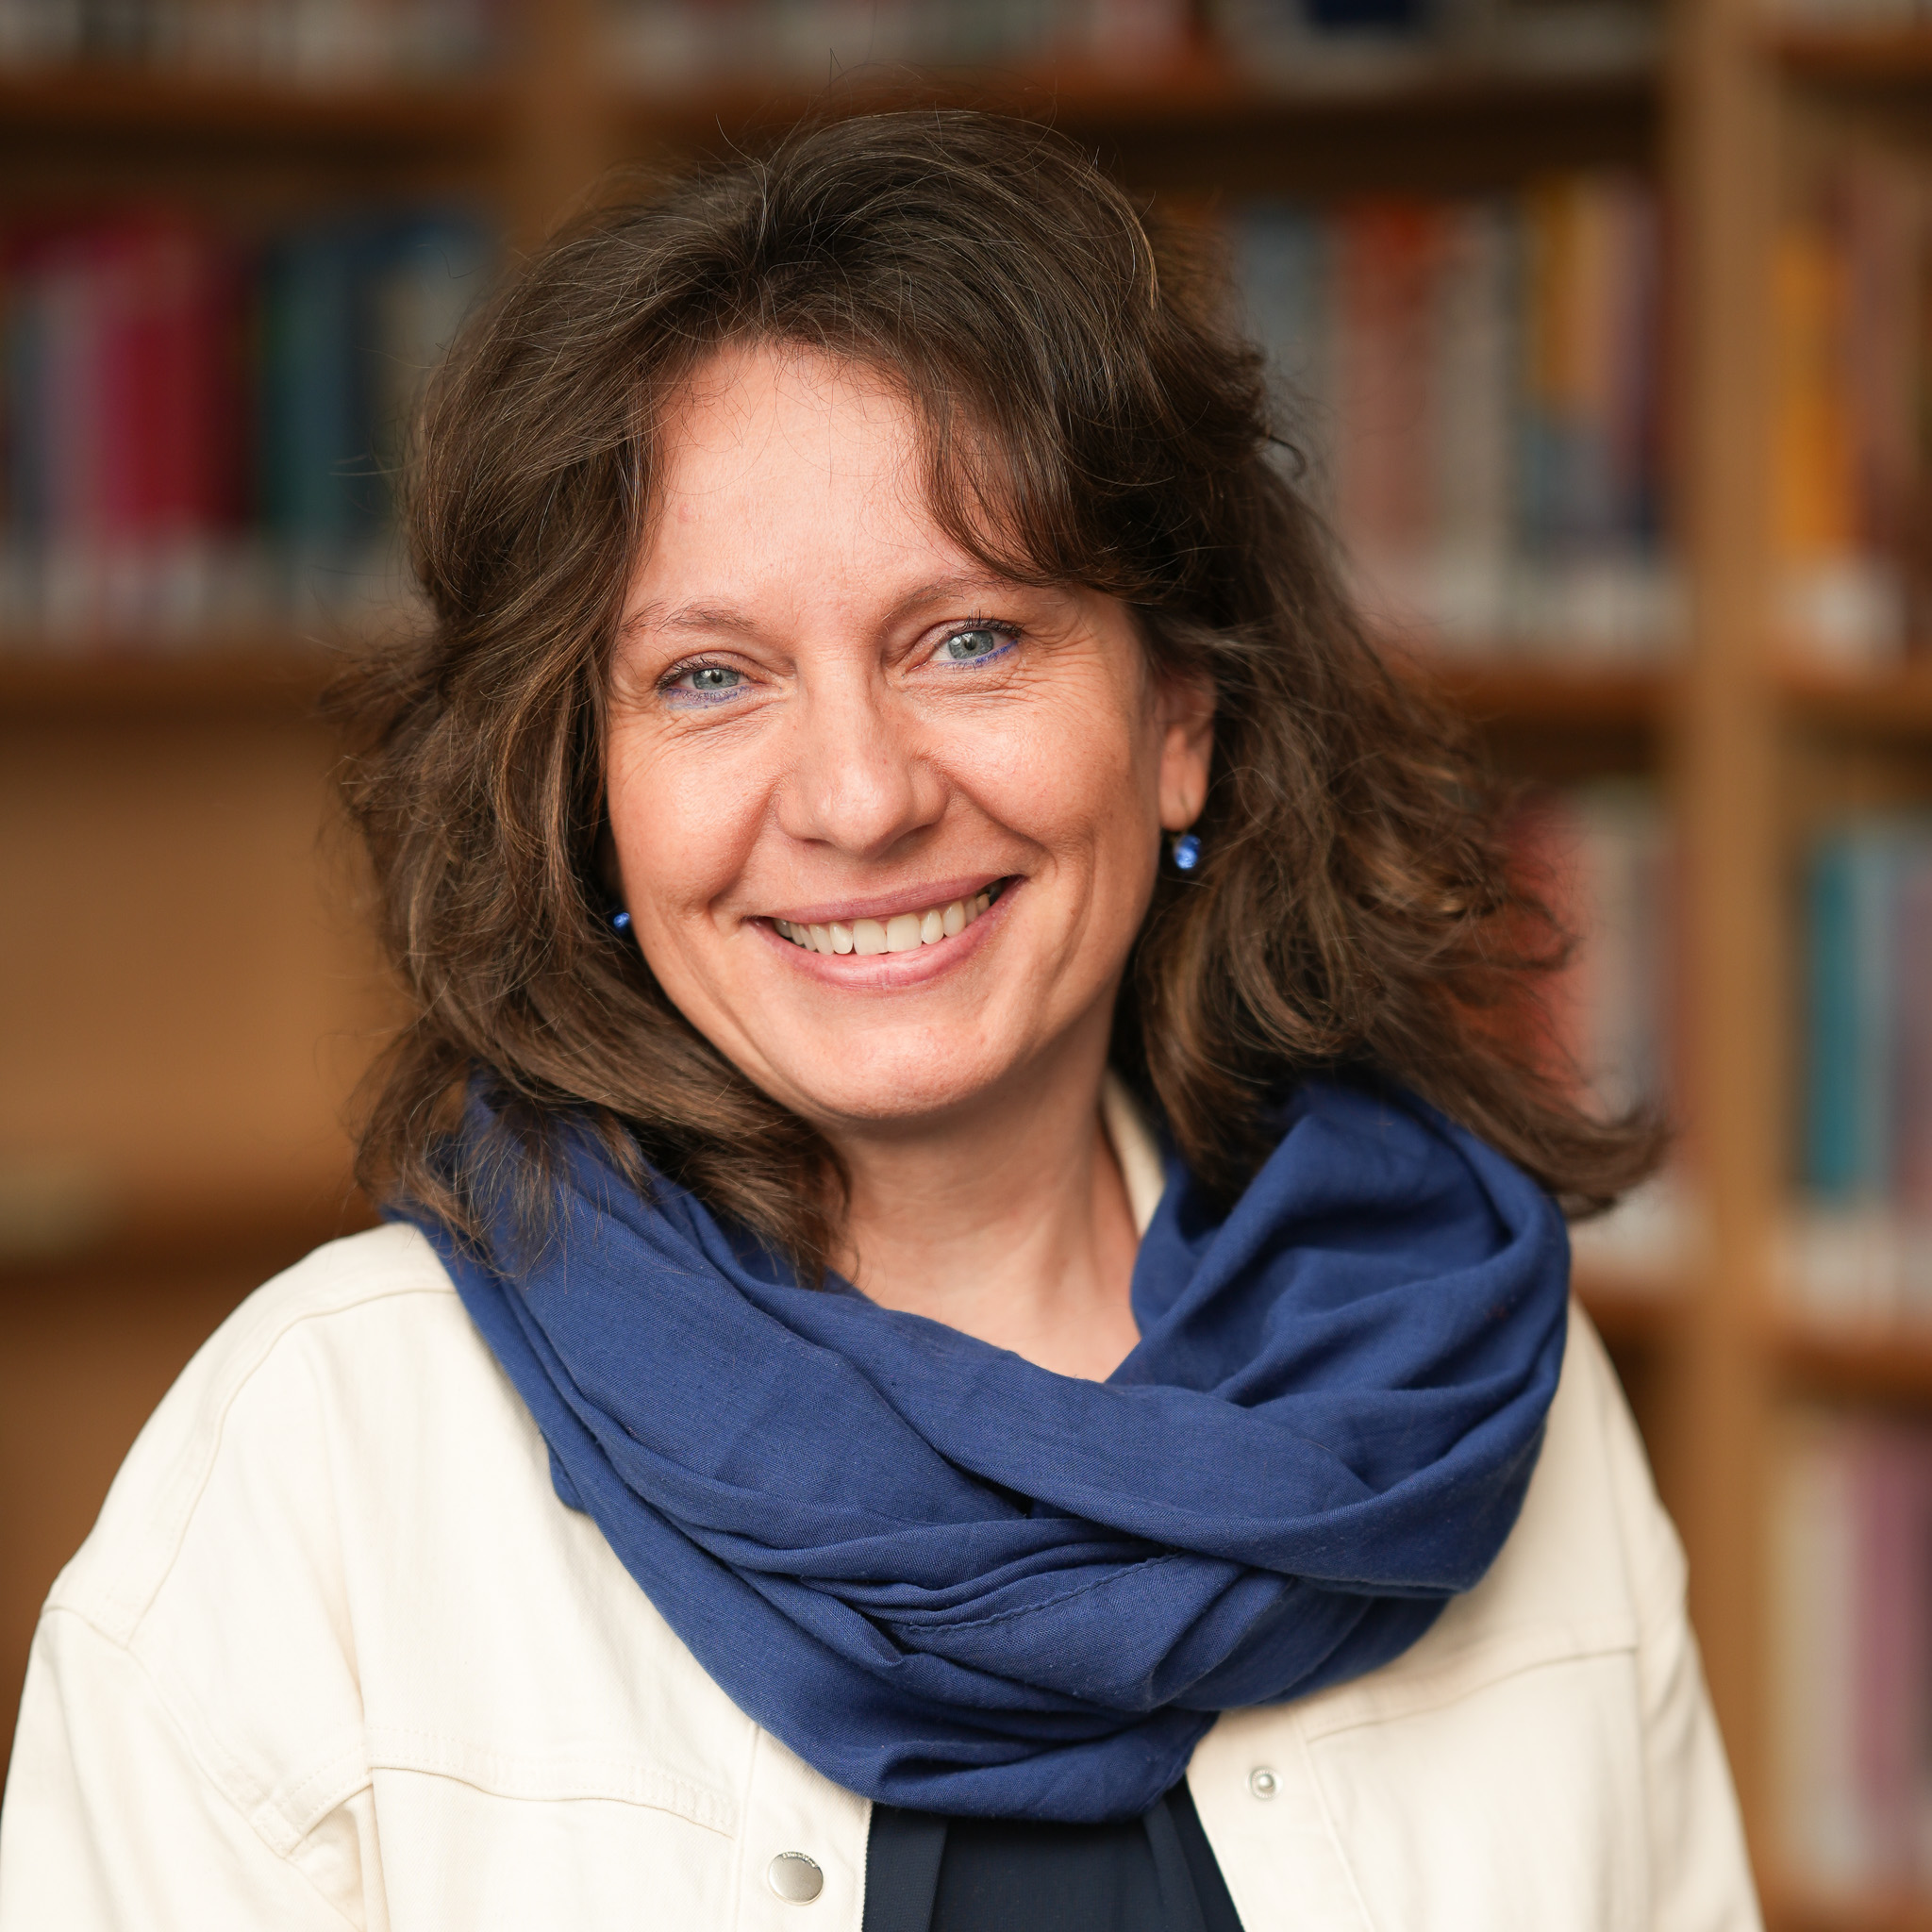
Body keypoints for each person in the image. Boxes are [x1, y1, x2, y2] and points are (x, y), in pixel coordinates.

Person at [0, 110, 1759, 1930]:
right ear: (583, 794)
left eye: (969, 638)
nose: (857, 798)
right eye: (709, 676)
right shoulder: (319, 1468)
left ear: (1181, 719)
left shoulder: (1468, 1382)